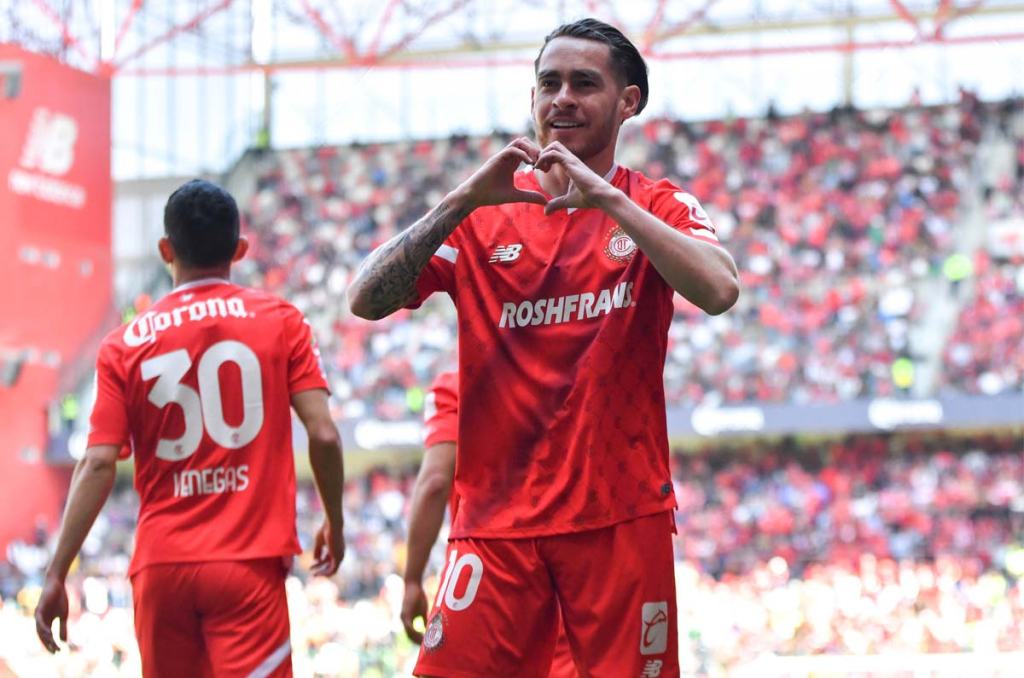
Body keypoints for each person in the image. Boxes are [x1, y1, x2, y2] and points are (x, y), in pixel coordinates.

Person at [348, 18, 739, 676]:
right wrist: (460, 200)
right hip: (496, 522)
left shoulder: (655, 205)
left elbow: (720, 289)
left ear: (628, 101)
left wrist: (608, 200)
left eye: (584, 84)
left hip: (619, 516)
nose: (562, 98)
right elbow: (364, 299)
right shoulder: (484, 214)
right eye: (548, 83)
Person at [34, 179, 346, 677]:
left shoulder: (122, 344)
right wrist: (334, 519)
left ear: (166, 250)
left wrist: (57, 572)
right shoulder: (282, 320)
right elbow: (324, 434)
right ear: (239, 250)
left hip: (162, 568)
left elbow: (96, 463)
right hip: (249, 564)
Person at [400, 370, 577, 677]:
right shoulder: (578, 374)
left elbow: (434, 482)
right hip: (573, 578)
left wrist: (412, 579)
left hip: (494, 575)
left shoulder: (460, 382)